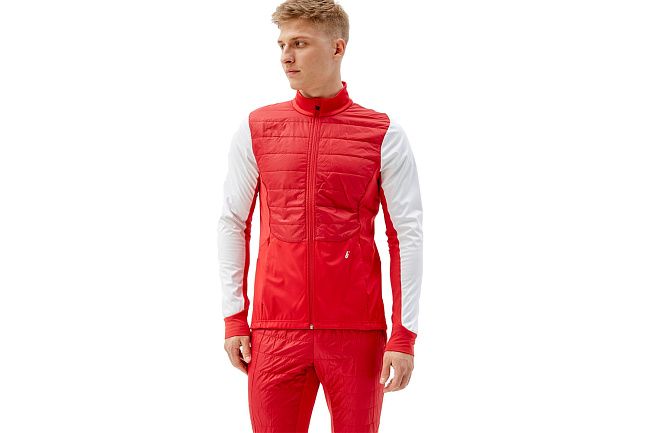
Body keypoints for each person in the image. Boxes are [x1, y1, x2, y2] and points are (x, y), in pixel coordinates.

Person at [217, 1, 423, 431]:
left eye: (300, 44)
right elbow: (233, 222)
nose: (286, 56)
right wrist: (235, 318)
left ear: (337, 47)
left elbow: (406, 235)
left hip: (356, 334)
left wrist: (403, 335)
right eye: (282, 45)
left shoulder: (382, 133)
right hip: (275, 331)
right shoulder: (257, 129)